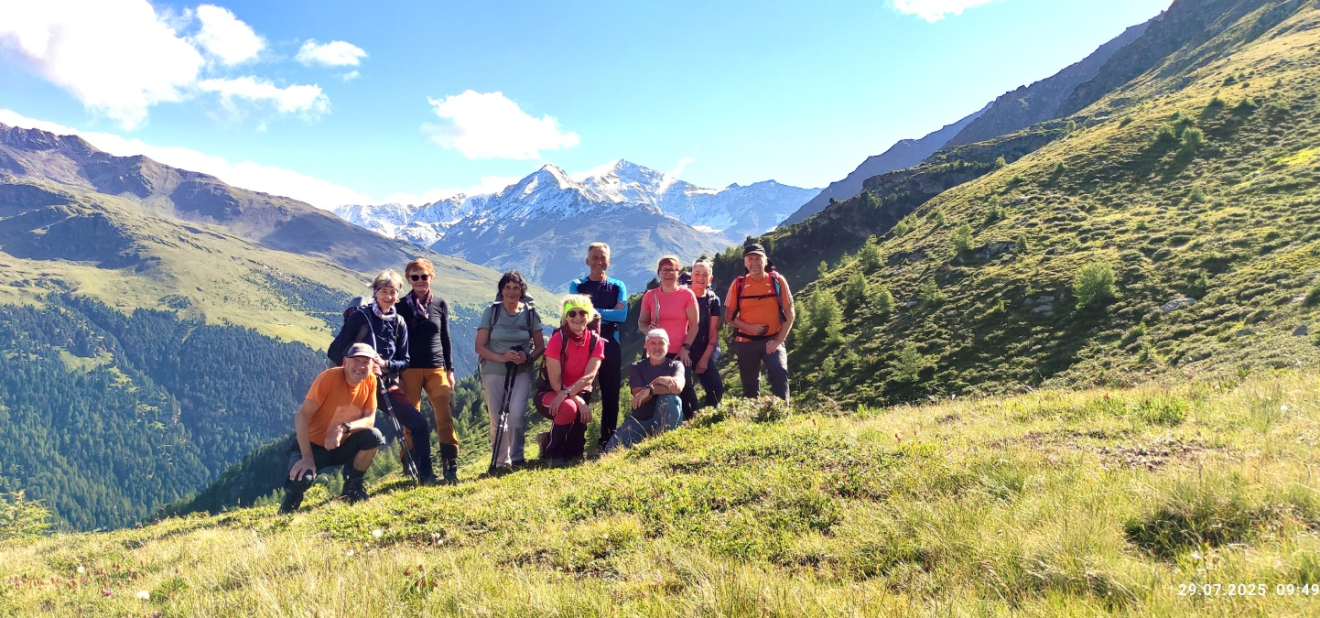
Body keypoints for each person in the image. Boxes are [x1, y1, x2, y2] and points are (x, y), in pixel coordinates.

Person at [328, 269, 436, 484]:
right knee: (356, 433)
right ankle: (353, 486)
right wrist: (361, 364)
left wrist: (386, 364)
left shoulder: (399, 322)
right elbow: (335, 351)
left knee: (419, 423)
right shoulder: (361, 317)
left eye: (393, 292)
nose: (389, 297)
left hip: (385, 383)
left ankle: (426, 475)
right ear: (375, 292)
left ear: (398, 294)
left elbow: (404, 361)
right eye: (384, 291)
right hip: (357, 385)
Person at [280, 343, 387, 514]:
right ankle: (291, 500)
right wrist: (307, 457)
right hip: (313, 446)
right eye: (356, 360)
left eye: (366, 362)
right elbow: (301, 416)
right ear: (345, 362)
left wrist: (344, 428)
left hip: (341, 444)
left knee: (374, 436)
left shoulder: (371, 380)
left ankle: (353, 487)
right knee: (302, 478)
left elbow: (370, 420)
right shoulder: (329, 378)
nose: (360, 366)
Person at [395, 258, 459, 484]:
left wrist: (449, 369)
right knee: (411, 418)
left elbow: (446, 338)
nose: (420, 280)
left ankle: (450, 468)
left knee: (444, 417)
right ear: (408, 279)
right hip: (409, 369)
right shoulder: (399, 307)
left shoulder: (440, 304)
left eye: (424, 276)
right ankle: (414, 467)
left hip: (436, 368)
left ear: (432, 277)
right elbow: (395, 341)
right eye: (415, 276)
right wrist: (396, 375)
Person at [476, 270, 545, 472]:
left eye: (516, 288)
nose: (511, 292)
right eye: (507, 287)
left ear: (522, 291)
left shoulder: (531, 314)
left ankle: (517, 458)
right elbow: (480, 346)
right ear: (501, 290)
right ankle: (500, 462)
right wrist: (502, 357)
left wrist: (528, 357)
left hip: (521, 372)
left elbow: (540, 345)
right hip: (493, 370)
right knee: (497, 419)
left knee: (516, 415)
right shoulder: (492, 312)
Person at [568, 242, 628, 450]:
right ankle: (573, 443)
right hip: (583, 345)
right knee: (580, 392)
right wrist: (606, 312)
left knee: (611, 394)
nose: (599, 262)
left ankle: (607, 441)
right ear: (587, 261)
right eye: (594, 257)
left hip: (611, 344)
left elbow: (622, 315)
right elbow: (573, 311)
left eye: (603, 258)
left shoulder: (618, 286)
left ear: (609, 261)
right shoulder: (577, 285)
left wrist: (591, 311)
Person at [539, 294, 606, 466]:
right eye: (572, 314)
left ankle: (547, 439)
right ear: (566, 317)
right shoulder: (557, 340)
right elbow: (555, 381)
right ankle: (551, 452)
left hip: (575, 393)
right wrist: (575, 398)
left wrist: (571, 394)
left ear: (589, 316)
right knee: (569, 408)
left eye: (582, 313)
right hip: (551, 392)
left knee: (575, 451)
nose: (577, 317)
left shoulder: (596, 341)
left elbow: (590, 376)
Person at [724, 243, 796, 401]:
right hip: (745, 342)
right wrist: (749, 327)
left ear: (766, 261)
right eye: (750, 259)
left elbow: (790, 313)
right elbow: (729, 316)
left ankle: (782, 414)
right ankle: (752, 420)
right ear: (745, 262)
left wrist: (778, 340)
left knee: (779, 372)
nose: (754, 263)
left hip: (772, 340)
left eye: (758, 258)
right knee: (750, 385)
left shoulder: (777, 281)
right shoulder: (738, 284)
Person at [637, 255, 699, 419]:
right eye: (664, 270)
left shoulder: (687, 295)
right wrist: (648, 331)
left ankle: (694, 423)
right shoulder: (650, 296)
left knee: (684, 388)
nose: (668, 273)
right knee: (650, 389)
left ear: (678, 272)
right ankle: (651, 427)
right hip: (654, 351)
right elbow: (642, 323)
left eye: (672, 270)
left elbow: (694, 325)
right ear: (659, 273)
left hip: (679, 351)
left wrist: (686, 347)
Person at [603, 329, 684, 453]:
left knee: (671, 399)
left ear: (668, 345)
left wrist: (651, 390)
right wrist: (657, 382)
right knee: (610, 451)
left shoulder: (676, 365)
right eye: (653, 343)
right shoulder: (637, 367)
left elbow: (677, 387)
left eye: (661, 343)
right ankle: (647, 438)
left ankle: (667, 444)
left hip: (666, 417)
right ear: (646, 346)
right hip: (641, 419)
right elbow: (639, 397)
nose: (657, 347)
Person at [688, 259, 725, 410]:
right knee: (685, 391)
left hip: (701, 350)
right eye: (697, 274)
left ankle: (703, 421)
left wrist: (704, 359)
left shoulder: (713, 300)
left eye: (705, 275)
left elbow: (713, 333)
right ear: (691, 275)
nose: (700, 278)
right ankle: (688, 423)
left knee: (716, 389)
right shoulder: (682, 294)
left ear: (711, 278)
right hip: (680, 350)